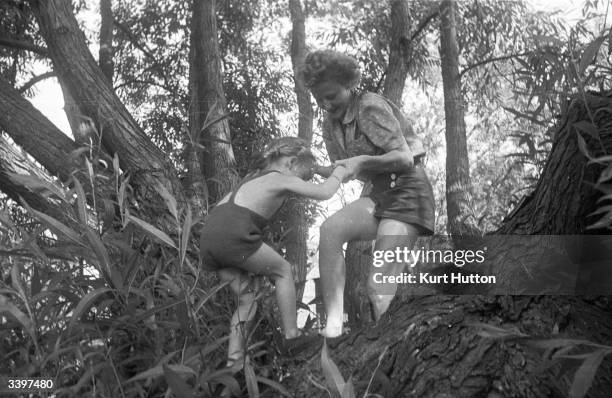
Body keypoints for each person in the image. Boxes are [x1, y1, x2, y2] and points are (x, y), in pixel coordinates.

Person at [300, 49, 435, 339]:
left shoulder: (369, 106)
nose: (325, 104)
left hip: (408, 190)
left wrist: (361, 162)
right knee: (330, 230)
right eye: (318, 99)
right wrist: (314, 171)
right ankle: (334, 329)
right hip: (378, 192)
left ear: (349, 85)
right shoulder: (331, 123)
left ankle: (399, 348)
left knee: (379, 285)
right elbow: (346, 171)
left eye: (331, 95)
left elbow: (404, 158)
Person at [199, 137, 348, 366]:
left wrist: (315, 168)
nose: (300, 183)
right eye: (301, 176)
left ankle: (233, 364)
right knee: (283, 271)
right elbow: (325, 192)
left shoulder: (253, 178)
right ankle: (291, 338)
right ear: (290, 163)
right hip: (232, 232)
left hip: (210, 237)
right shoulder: (279, 179)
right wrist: (341, 171)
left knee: (247, 300)